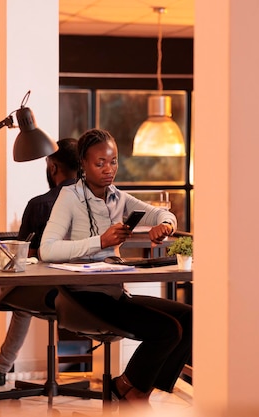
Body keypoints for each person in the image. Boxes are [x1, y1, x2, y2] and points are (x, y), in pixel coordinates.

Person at [40, 128, 192, 404]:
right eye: (100, 163)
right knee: (168, 330)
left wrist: (166, 225)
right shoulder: (69, 198)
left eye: (113, 161)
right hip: (83, 298)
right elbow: (47, 250)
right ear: (83, 165)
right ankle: (129, 390)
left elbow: (161, 212)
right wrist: (100, 241)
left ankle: (134, 389)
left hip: (114, 294)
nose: (109, 169)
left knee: (190, 318)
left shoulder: (117, 197)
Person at [0, 137, 79, 385]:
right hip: (82, 294)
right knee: (23, 294)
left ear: (52, 166)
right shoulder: (96, 203)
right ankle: (0, 367)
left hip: (47, 294)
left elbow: (19, 256)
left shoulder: (39, 205)